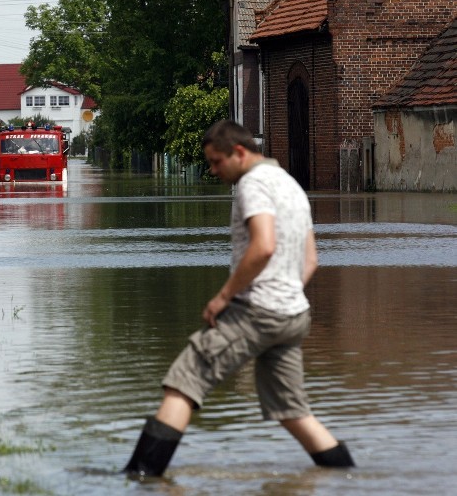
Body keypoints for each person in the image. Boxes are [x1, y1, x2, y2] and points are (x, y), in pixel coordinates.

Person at [124, 119, 355, 477]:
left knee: (184, 380)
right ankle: (348, 479)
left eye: (217, 162)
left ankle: (140, 477)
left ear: (241, 152)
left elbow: (263, 246)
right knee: (293, 412)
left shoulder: (253, 184)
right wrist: (286, 294)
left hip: (256, 311)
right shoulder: (290, 185)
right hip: (292, 314)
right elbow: (310, 260)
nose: (214, 171)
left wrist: (223, 297)